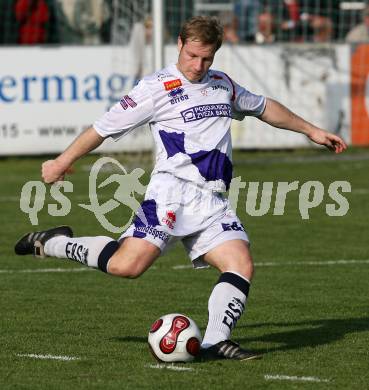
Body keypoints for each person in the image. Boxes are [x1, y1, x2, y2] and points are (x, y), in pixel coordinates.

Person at [14, 16, 347, 361]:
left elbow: (263, 107)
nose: (198, 65)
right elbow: (103, 128)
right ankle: (54, 243)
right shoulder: (155, 87)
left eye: (206, 59)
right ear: (179, 44)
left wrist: (311, 130)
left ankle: (216, 341)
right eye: (192, 56)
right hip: (170, 195)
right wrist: (61, 161)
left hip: (212, 199)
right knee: (127, 266)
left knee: (240, 263)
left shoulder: (222, 84)